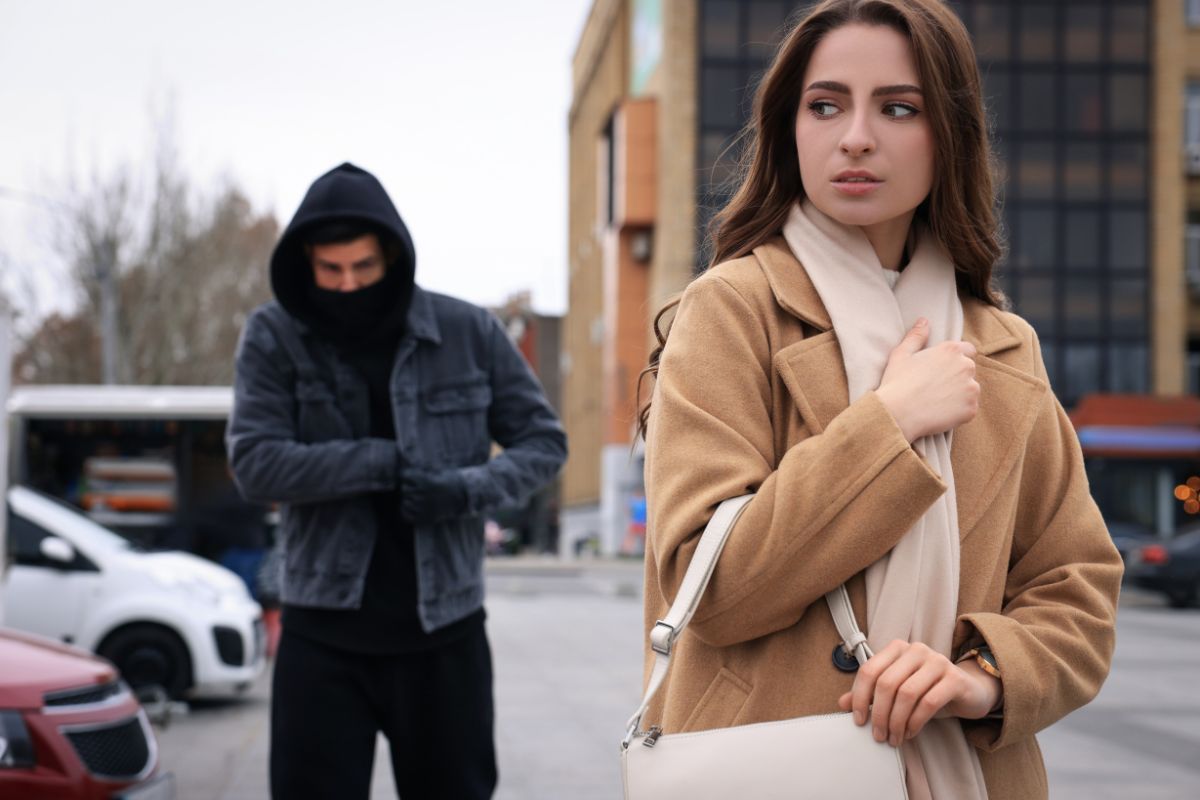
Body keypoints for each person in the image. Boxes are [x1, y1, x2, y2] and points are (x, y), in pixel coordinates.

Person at [635, 3, 1122, 799]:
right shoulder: (731, 309)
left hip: (965, 771)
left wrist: (983, 676)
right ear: (790, 129)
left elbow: (1077, 584)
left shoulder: (1003, 347)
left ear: (949, 135)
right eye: (825, 105)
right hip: (765, 765)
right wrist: (891, 424)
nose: (855, 136)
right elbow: (710, 588)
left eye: (899, 108)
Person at [226, 162, 567, 799]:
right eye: (330, 271)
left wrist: (463, 489)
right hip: (321, 635)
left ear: (392, 256)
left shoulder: (468, 331)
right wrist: (382, 462)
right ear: (307, 263)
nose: (347, 285)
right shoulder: (274, 337)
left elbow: (544, 444)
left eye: (363, 268)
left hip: (445, 633)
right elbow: (255, 463)